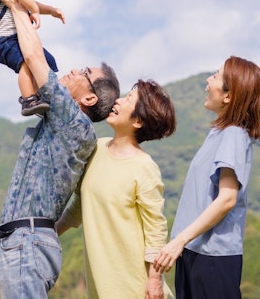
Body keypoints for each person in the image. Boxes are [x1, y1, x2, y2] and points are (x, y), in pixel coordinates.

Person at [0, 0, 121, 298]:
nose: (73, 70)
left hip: (26, 243)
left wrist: (17, 9)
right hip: (23, 241)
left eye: (82, 74)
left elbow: (35, 59)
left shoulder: (74, 123)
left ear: (90, 99)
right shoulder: (64, 122)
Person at [153, 56, 260, 299]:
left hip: (211, 259)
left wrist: (178, 241)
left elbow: (227, 199)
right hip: (194, 252)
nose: (208, 80)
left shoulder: (234, 134)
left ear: (228, 95)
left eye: (216, 76)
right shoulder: (219, 133)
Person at [57, 79, 177, 299]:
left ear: (139, 121)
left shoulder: (144, 167)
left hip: (135, 283)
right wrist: (51, 232)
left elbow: (156, 229)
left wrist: (154, 280)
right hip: (101, 278)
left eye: (129, 99)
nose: (118, 101)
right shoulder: (96, 148)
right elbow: (81, 205)